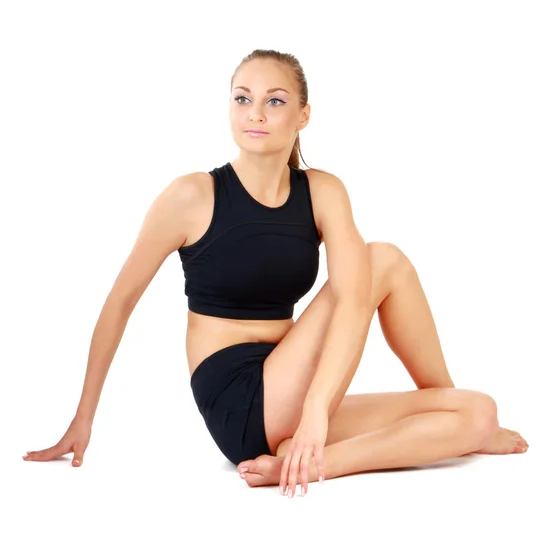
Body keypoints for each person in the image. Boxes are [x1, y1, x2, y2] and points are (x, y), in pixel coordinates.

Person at [23, 49, 528, 498]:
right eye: (242, 99)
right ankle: (345, 440)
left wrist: (315, 412)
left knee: (477, 410)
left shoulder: (322, 191)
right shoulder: (192, 196)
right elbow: (119, 302)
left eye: (275, 101)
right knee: (383, 259)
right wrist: (83, 417)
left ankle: (323, 455)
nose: (256, 113)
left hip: (296, 390)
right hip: (240, 398)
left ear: (303, 115)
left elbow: (353, 305)